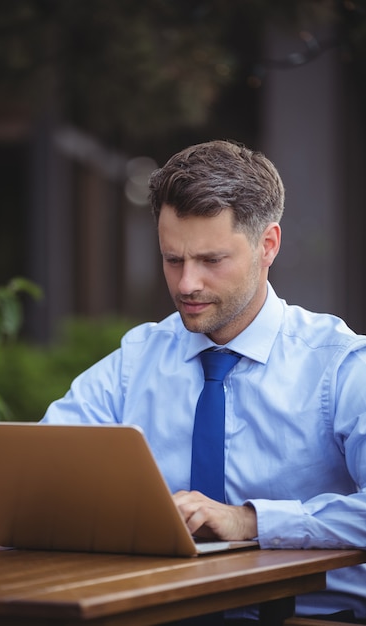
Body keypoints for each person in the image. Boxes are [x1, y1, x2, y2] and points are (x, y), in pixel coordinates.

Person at [41, 140, 366, 624]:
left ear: (268, 245)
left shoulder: (341, 366)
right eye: (173, 259)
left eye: (211, 260)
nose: (187, 284)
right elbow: (26, 482)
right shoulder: (137, 360)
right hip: (157, 610)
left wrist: (251, 522)